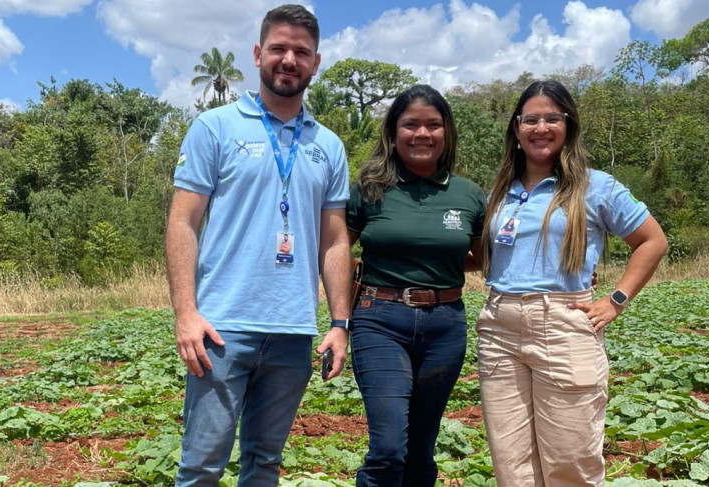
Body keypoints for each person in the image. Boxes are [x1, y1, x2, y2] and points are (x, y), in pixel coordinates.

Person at [164, 5, 352, 486]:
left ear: (315, 62)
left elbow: (335, 241)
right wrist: (186, 313)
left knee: (265, 463)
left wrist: (339, 323)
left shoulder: (328, 145)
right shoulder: (215, 127)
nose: (289, 60)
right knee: (201, 465)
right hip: (221, 328)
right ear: (257, 54)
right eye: (278, 48)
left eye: (301, 52)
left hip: (293, 330)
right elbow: (183, 223)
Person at [475, 80, 667, 487]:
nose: (541, 128)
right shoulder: (501, 190)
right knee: (512, 466)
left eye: (552, 119)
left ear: (569, 125)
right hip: (498, 327)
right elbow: (482, 255)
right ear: (516, 128)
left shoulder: (597, 186)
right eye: (530, 119)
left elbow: (652, 241)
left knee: (570, 464)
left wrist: (616, 300)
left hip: (563, 325)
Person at [346, 84, 487, 486]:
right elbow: (337, 249)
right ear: (393, 134)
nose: (422, 133)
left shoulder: (469, 194)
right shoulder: (369, 188)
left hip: (445, 325)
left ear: (447, 133)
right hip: (380, 320)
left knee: (421, 451)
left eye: (433, 125)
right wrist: (340, 318)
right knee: (388, 449)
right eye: (410, 124)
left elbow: (485, 258)